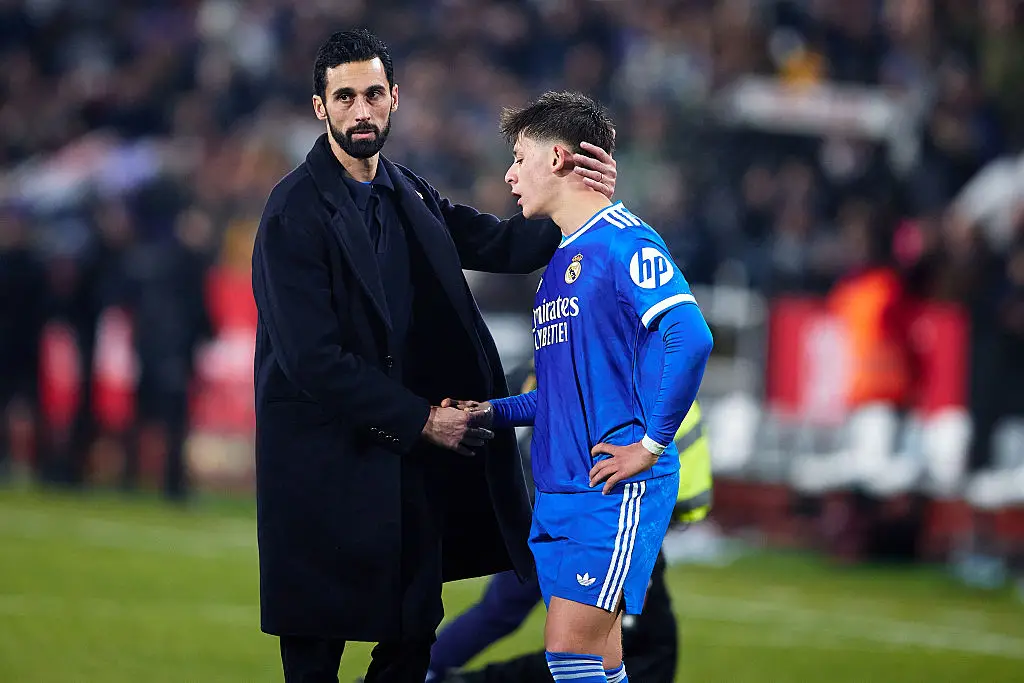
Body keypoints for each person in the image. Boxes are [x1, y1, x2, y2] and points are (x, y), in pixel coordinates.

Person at [250, 30, 617, 683]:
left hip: (399, 476)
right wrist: (421, 419)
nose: (360, 111)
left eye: (371, 94)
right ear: (320, 108)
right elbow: (313, 361)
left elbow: (504, 244)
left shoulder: (409, 192)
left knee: (413, 638)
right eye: (344, 97)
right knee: (314, 662)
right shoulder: (291, 212)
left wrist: (581, 200)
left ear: (394, 98)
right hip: (324, 473)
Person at [445, 91, 713, 683]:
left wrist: (650, 445)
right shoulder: (561, 262)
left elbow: (689, 337)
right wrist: (493, 411)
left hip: (611, 489)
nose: (510, 174)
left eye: (520, 157)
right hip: (561, 489)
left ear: (560, 157)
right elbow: (559, 397)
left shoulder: (625, 241)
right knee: (594, 665)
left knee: (570, 655)